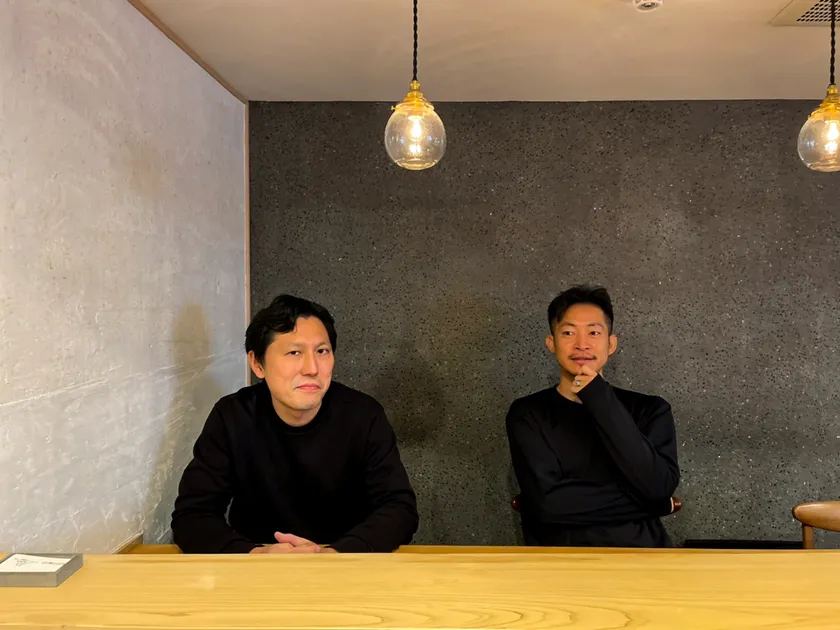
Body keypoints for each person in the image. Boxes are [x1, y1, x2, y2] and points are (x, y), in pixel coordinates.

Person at [171, 294, 419, 553]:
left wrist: (333, 555)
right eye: (294, 352)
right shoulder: (233, 416)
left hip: (345, 564)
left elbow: (399, 509)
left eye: (322, 351)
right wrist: (255, 554)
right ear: (257, 363)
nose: (312, 368)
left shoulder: (363, 415)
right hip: (257, 568)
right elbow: (192, 515)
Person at [505, 285, 680, 547]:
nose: (582, 344)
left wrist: (598, 396)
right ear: (551, 343)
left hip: (643, 557)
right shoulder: (528, 413)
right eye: (568, 332)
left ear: (611, 344)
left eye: (594, 332)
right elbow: (548, 505)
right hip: (558, 560)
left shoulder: (650, 409)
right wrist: (655, 504)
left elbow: (659, 485)